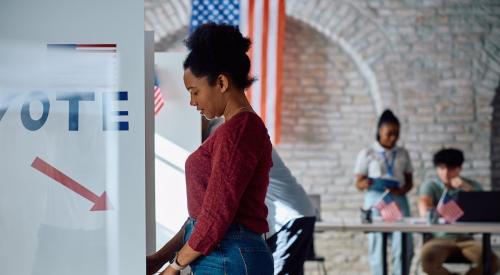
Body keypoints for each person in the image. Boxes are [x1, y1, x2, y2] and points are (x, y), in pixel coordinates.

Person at [146, 23, 274, 275]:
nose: (192, 101)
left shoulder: (239, 131)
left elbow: (216, 215)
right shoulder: (231, 131)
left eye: (195, 92)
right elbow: (202, 217)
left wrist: (174, 267)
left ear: (222, 82)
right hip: (224, 254)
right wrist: (159, 258)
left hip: (229, 255)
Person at [204, 118, 317, 275]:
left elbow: (230, 184)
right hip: (286, 216)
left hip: (289, 216)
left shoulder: (225, 130)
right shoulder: (226, 130)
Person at [418, 148, 500, 275]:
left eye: (450, 169)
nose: (445, 173)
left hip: (466, 239)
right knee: (427, 259)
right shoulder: (431, 185)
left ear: (459, 168)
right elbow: (424, 210)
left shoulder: (471, 185)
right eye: (441, 168)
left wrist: (466, 188)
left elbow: (484, 210)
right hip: (439, 239)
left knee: (493, 262)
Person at [354, 109, 414, 275]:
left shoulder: (403, 154)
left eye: (397, 133)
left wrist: (401, 189)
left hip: (398, 200)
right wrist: (365, 183)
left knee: (403, 245)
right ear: (380, 131)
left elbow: (409, 182)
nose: (393, 137)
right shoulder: (367, 153)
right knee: (377, 246)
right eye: (389, 133)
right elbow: (358, 183)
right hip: (376, 201)